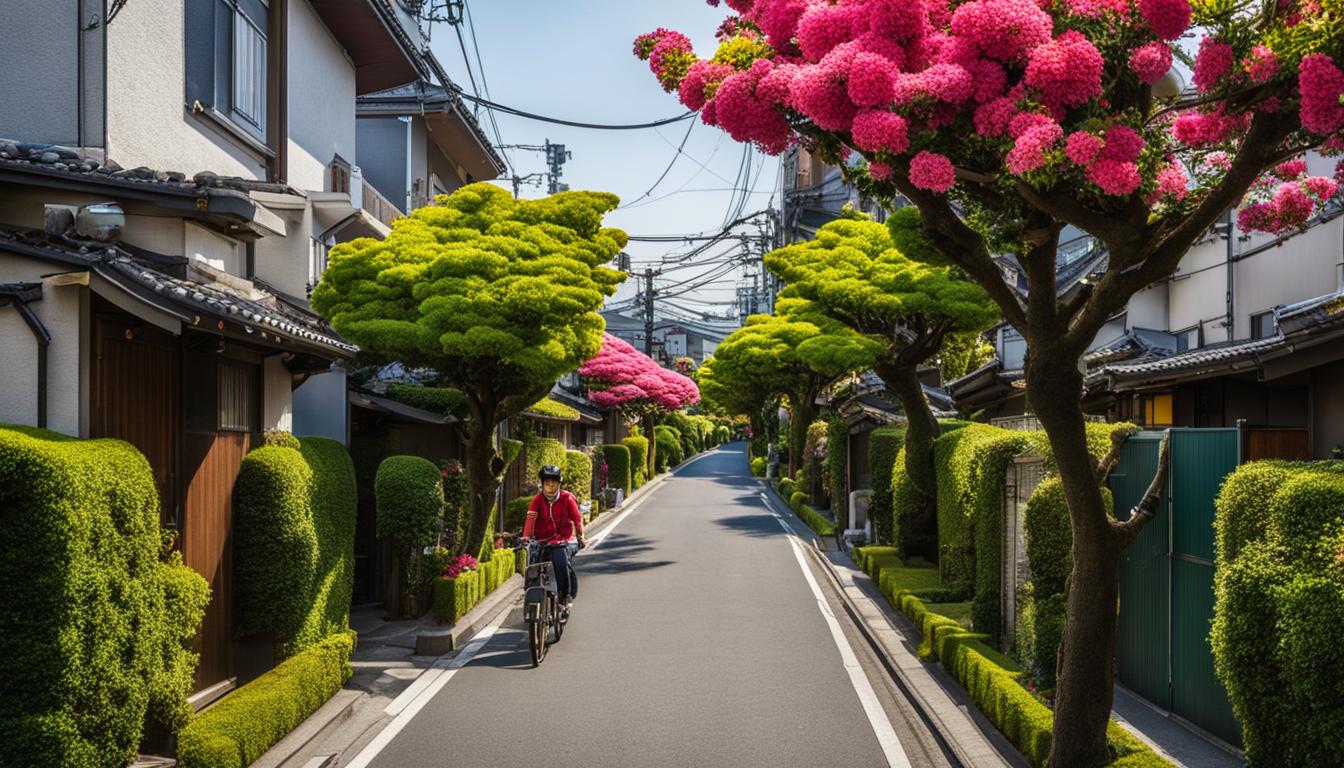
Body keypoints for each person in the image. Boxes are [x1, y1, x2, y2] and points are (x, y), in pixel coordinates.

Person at [523, 464, 586, 607]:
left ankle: (565, 596)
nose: (550, 486)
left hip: (562, 540)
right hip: (541, 541)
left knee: (560, 561)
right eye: (547, 483)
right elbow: (530, 519)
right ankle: (530, 595)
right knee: (532, 565)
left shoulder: (567, 498)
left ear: (559, 483)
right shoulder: (537, 500)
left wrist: (580, 536)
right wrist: (526, 538)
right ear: (542, 484)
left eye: (554, 483)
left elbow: (577, 520)